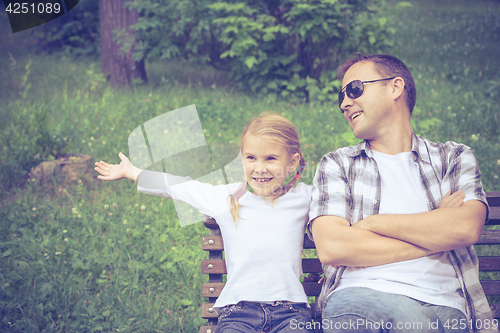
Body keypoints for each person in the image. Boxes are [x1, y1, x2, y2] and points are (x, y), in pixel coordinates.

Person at [308, 54, 494, 333]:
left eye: (354, 89)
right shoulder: (338, 164)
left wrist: (374, 224)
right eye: (341, 97)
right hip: (363, 298)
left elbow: (466, 228)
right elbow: (334, 247)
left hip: (448, 309)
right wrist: (436, 229)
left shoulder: (453, 158)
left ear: (395, 87)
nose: (345, 103)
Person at [95, 112, 315, 333]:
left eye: (270, 158)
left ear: (292, 162)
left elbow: (344, 198)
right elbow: (181, 187)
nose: (259, 168)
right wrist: (132, 171)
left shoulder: (303, 197)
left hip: (291, 312)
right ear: (241, 159)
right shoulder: (227, 198)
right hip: (238, 314)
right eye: (251, 158)